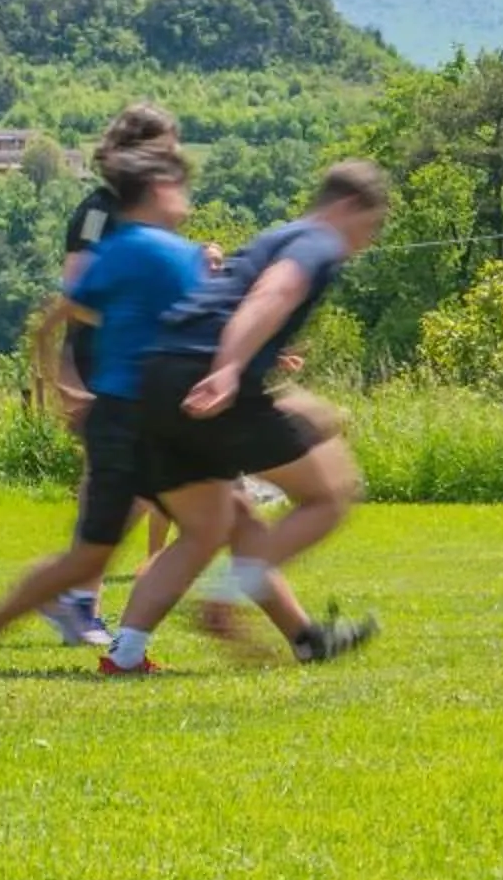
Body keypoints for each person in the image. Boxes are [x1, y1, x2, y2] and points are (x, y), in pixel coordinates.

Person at [0, 145, 321, 673]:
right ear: (158, 191)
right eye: (180, 187)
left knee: (115, 548)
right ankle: (269, 638)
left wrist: (61, 384)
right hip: (150, 420)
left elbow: (55, 319)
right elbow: (207, 331)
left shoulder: (115, 252)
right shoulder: (176, 256)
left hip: (116, 416)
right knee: (198, 529)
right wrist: (252, 366)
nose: (185, 198)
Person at [97, 161, 394, 674]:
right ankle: (228, 598)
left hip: (160, 374)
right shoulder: (317, 241)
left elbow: (228, 299)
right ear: (346, 207)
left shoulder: (279, 233)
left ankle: (126, 655)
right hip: (208, 376)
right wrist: (230, 367)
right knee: (330, 494)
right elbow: (272, 293)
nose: (364, 243)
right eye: (368, 229)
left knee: (205, 527)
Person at [35, 103, 179, 647]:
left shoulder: (144, 213)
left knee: (133, 484)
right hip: (105, 362)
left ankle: (72, 596)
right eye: (165, 148)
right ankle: (74, 599)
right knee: (118, 483)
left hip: (140, 362)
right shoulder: (98, 212)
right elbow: (78, 292)